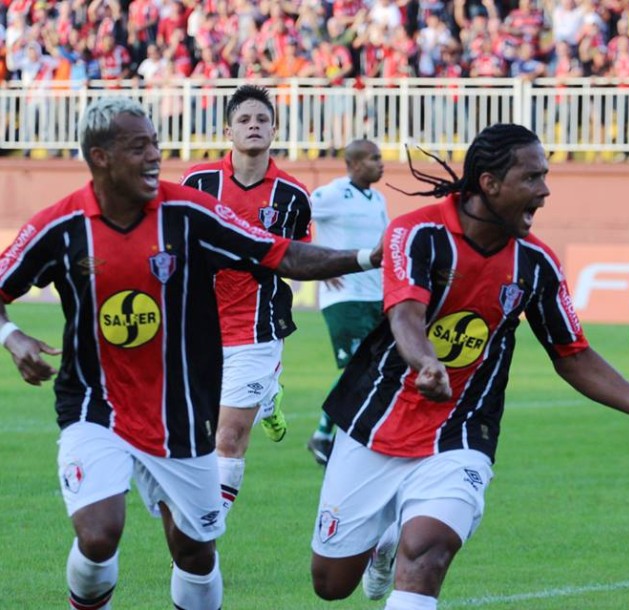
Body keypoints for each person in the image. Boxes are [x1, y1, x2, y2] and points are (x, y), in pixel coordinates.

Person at [308, 123, 629, 609]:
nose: (545, 191)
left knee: (428, 552)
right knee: (331, 584)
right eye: (532, 177)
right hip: (375, 421)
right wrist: (425, 362)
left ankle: (407, 534)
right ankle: (386, 537)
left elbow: (573, 355)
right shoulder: (417, 232)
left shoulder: (537, 264)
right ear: (490, 183)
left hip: (461, 430)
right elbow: (405, 313)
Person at [0, 97, 379, 610]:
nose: (154, 155)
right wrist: (12, 335)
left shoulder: (187, 212)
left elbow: (279, 253)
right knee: (99, 532)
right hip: (96, 404)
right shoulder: (61, 225)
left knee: (195, 552)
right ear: (101, 157)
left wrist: (367, 257)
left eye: (155, 143)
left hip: (180, 412)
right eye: (139, 147)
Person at [181, 85, 311, 521]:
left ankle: (207, 532)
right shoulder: (198, 183)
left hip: (257, 331)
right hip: (199, 330)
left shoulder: (292, 196)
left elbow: (297, 255)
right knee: (196, 434)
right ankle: (269, 398)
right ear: (228, 131)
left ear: (274, 129)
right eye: (244, 119)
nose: (253, 125)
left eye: (262, 119)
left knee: (228, 437)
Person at [306, 139, 389, 466]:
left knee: (377, 368)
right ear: (354, 164)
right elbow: (294, 216)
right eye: (374, 158)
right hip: (344, 298)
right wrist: (317, 260)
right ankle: (325, 435)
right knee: (359, 368)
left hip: (376, 297)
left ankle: (338, 436)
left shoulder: (378, 199)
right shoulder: (332, 194)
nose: (381, 163)